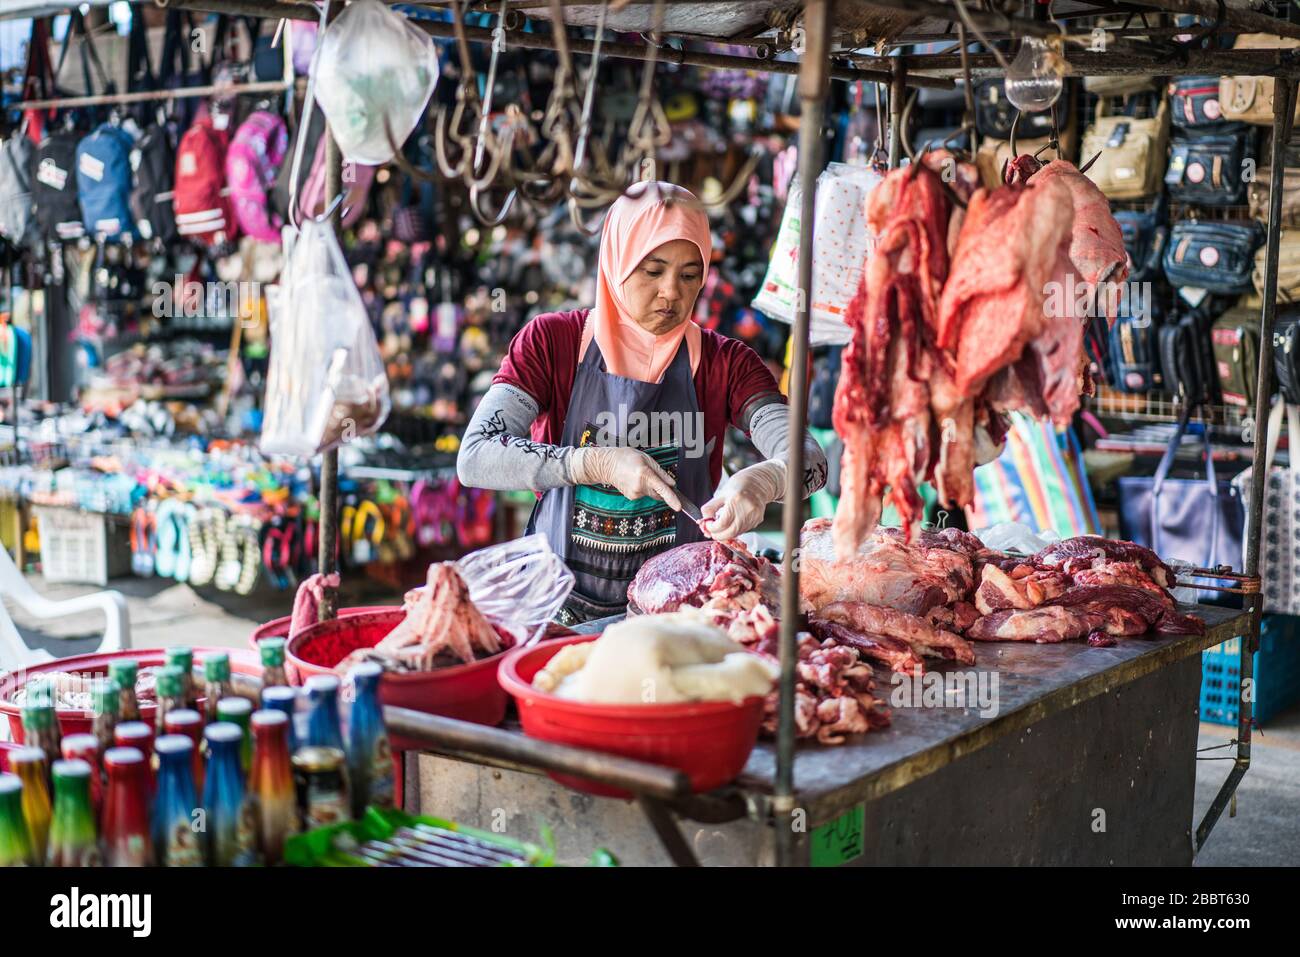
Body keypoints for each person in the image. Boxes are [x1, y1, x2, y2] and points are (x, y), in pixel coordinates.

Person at [457, 182, 827, 623]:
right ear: (617, 260)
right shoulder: (551, 343)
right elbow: (477, 455)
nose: (672, 292)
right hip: (558, 611)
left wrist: (766, 481)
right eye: (653, 271)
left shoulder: (726, 362)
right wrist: (594, 464)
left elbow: (811, 459)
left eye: (690, 275)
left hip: (678, 614)